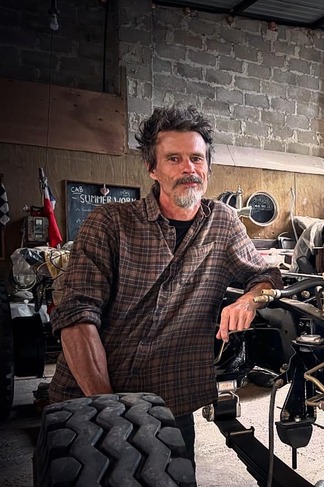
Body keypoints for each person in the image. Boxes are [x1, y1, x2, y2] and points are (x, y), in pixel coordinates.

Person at [48, 104, 281, 462]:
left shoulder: (223, 222)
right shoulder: (109, 222)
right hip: (89, 399)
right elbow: (77, 314)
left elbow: (266, 277)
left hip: (170, 399)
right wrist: (110, 407)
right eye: (174, 159)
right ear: (151, 168)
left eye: (197, 158)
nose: (189, 168)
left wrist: (250, 300)